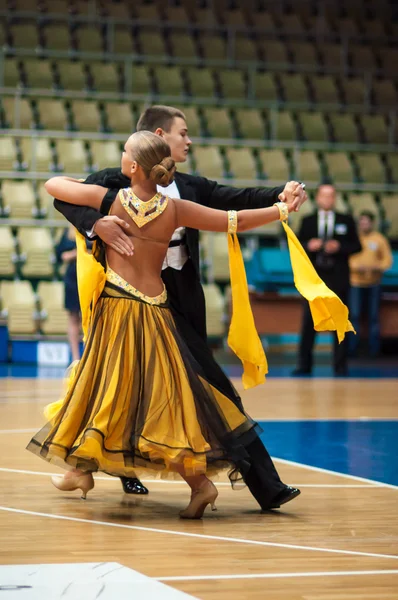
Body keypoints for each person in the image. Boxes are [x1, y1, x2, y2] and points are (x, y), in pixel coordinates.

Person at [27, 131, 299, 519]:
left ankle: (86, 470)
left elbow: (54, 185)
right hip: (158, 310)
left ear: (133, 166)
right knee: (168, 400)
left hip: (119, 309)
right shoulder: (174, 210)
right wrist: (282, 211)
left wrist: (100, 222)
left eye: (124, 153)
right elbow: (232, 221)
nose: (121, 156)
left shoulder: (113, 200)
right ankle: (102, 473)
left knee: (105, 389)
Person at [292, 184, 361, 377]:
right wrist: (309, 245)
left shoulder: (346, 220)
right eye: (324, 196)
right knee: (308, 323)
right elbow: (296, 245)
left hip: (338, 279)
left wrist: (339, 246)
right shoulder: (308, 221)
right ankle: (304, 365)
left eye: (331, 196)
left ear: (335, 198)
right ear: (318, 198)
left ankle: (340, 366)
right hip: (314, 280)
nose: (327, 199)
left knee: (340, 323)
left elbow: (357, 246)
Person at [349, 211, 392, 357]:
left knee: (373, 317)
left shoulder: (379, 239)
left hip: (374, 283)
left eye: (367, 221)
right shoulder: (353, 238)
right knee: (354, 316)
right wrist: (355, 267)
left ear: (372, 223)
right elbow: (346, 257)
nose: (364, 224)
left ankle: (374, 351)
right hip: (355, 283)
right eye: (361, 221)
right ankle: (352, 350)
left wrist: (376, 267)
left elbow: (387, 260)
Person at [55, 226, 81, 362]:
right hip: (72, 279)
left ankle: (91, 357)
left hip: (90, 276)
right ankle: (75, 358)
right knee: (73, 317)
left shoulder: (94, 227)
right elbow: (60, 256)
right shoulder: (66, 232)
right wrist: (74, 254)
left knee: (92, 319)